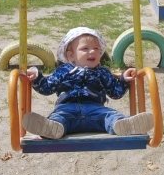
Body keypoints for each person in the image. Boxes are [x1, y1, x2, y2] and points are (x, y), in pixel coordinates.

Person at [21, 27, 154, 139]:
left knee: (110, 115)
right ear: (71, 55)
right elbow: (47, 87)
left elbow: (115, 92)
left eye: (96, 49)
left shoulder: (102, 72)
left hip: (96, 110)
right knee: (58, 117)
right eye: (85, 49)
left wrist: (124, 80)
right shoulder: (63, 71)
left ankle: (123, 125)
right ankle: (50, 128)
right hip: (67, 109)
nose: (92, 52)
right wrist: (37, 78)